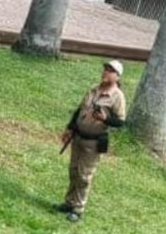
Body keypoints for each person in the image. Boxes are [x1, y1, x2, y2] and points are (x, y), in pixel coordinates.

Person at [55, 60, 127, 223]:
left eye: (110, 70)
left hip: (93, 142)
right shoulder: (94, 89)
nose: (106, 72)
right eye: (105, 68)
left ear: (117, 76)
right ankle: (69, 203)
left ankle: (78, 209)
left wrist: (105, 119)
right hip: (78, 137)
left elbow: (120, 122)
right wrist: (70, 128)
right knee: (74, 170)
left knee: (84, 176)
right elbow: (79, 110)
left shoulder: (118, 96)